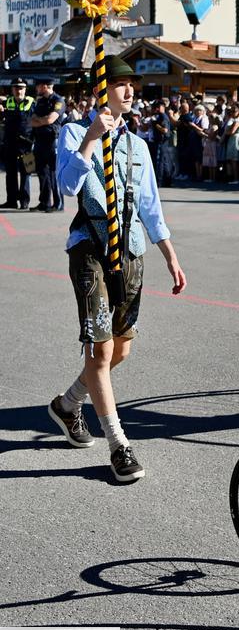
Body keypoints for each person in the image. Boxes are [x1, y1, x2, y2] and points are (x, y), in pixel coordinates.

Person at [49, 56, 186, 482]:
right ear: (100, 91)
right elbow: (67, 186)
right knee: (100, 350)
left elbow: (150, 206)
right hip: (89, 249)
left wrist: (170, 254)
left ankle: (67, 404)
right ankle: (119, 445)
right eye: (122, 84)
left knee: (121, 349)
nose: (130, 91)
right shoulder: (73, 132)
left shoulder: (139, 145)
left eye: (133, 86)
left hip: (130, 251)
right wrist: (91, 137)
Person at [30, 76, 65, 212]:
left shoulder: (58, 101)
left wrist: (41, 120)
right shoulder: (40, 101)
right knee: (42, 173)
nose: (37, 88)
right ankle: (44, 202)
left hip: (52, 140)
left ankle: (58, 204)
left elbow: (51, 119)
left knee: (54, 173)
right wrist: (41, 120)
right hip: (40, 141)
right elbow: (31, 120)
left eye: (38, 86)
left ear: (45, 86)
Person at [1, 77, 35, 210]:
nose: (18, 90)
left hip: (27, 144)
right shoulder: (7, 102)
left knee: (27, 172)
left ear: (25, 89)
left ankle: (24, 202)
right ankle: (11, 200)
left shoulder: (32, 102)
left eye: (21, 88)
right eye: (15, 87)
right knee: (10, 173)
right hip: (10, 143)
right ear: (12, 89)